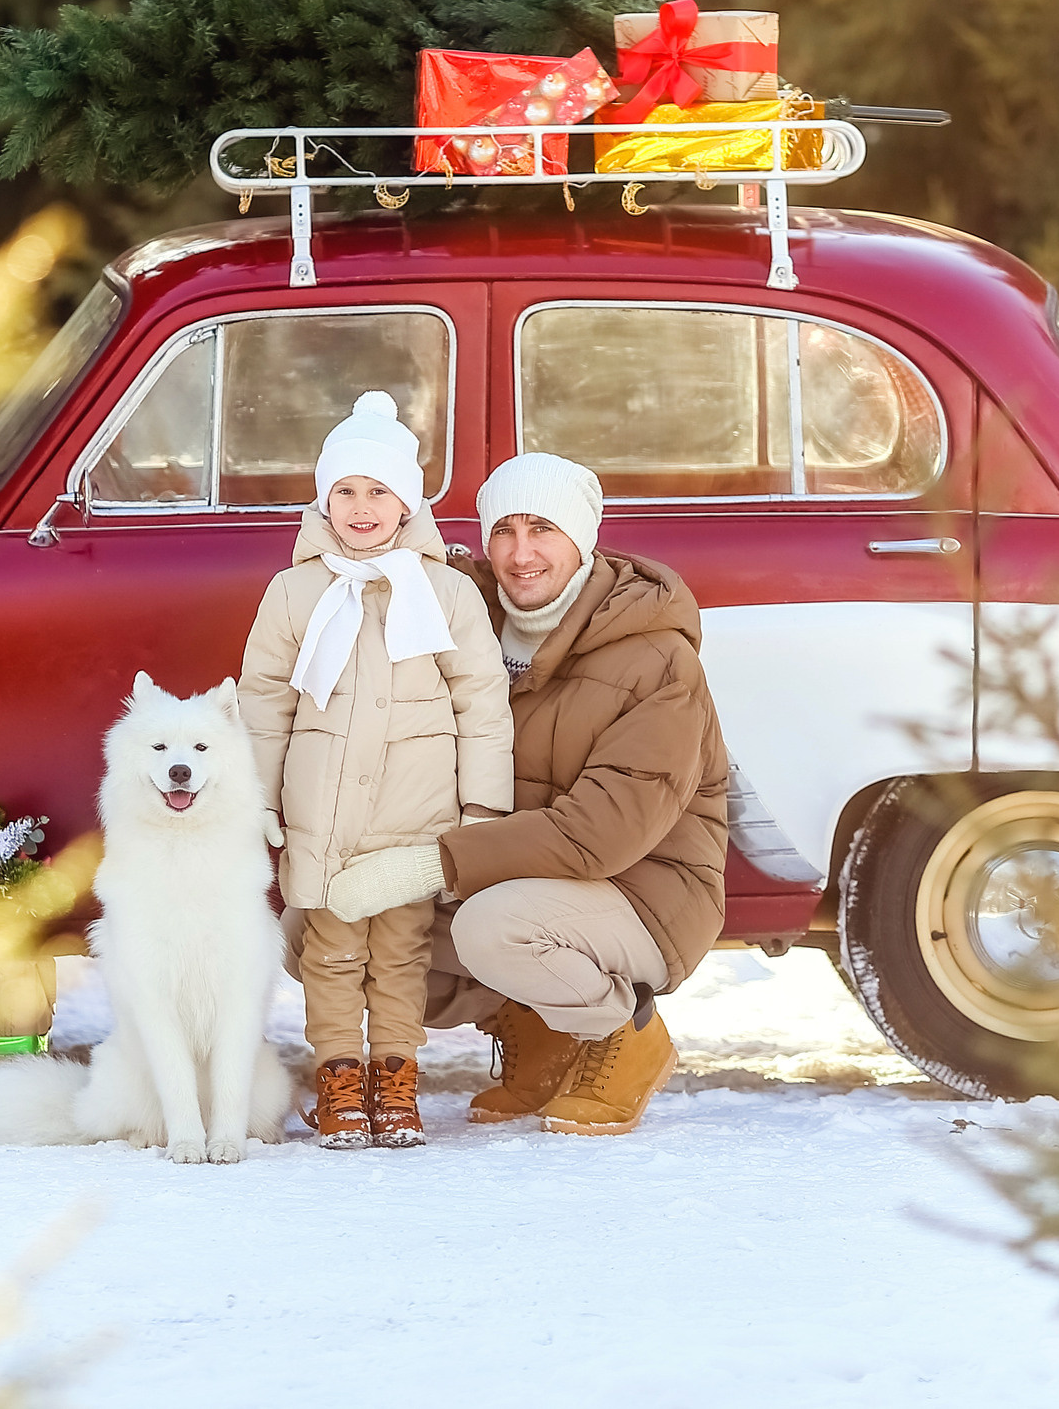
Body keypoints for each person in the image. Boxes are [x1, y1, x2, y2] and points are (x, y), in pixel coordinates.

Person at [324, 451, 731, 1137]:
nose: (520, 554)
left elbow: (598, 833)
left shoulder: (658, 660)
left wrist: (429, 865)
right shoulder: (462, 620)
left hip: (642, 894)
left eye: (542, 528)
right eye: (504, 531)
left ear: (582, 536)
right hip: (504, 872)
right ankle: (539, 1032)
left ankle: (628, 1035)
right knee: (321, 929)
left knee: (493, 926)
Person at [238, 392, 513, 1149]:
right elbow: (264, 701)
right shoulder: (294, 591)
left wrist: (483, 804)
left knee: (400, 954)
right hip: (321, 813)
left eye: (379, 490)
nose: (362, 506)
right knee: (330, 953)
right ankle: (338, 1081)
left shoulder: (447, 593)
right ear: (325, 498)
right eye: (346, 490)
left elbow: (482, 700)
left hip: (415, 816)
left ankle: (395, 1081)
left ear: (407, 501)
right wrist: (259, 797)